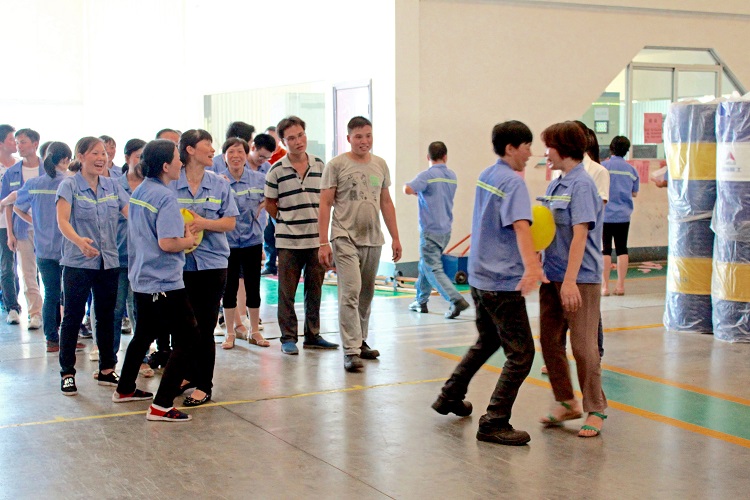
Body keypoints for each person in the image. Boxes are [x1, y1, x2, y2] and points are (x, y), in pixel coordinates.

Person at [431, 121, 542, 446]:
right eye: (526, 146)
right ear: (511, 148)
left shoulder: (487, 175)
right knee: (521, 354)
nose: (530, 153)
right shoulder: (513, 182)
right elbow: (521, 226)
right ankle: (494, 421)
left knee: (488, 340)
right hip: (502, 281)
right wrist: (532, 267)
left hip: (479, 277)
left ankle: (450, 395)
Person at [113, 139, 198, 422]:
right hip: (163, 281)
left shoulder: (140, 190)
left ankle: (125, 389)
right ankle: (161, 405)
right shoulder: (165, 197)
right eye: (177, 158)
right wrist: (188, 240)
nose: (181, 163)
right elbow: (167, 242)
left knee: (144, 333)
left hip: (142, 276)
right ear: (165, 166)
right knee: (188, 338)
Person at [538, 121, 608, 438]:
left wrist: (569, 282)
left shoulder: (582, 186)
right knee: (550, 342)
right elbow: (548, 229)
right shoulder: (556, 184)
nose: (545, 154)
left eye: (549, 147)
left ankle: (596, 408)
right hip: (551, 275)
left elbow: (580, 236)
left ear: (563, 149)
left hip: (579, 278)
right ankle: (566, 401)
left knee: (583, 347)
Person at [318, 116, 401, 371]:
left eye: (368, 136)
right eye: (358, 137)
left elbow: (386, 202)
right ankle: (351, 350)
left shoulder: (380, 165)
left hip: (372, 238)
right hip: (344, 236)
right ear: (349, 138)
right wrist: (323, 242)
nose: (364, 141)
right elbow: (325, 204)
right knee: (350, 291)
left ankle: (361, 340)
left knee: (366, 294)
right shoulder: (336, 165)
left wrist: (396, 237)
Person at [56, 137, 129, 395]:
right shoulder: (69, 185)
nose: (101, 158)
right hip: (78, 262)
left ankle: (107, 369)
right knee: (73, 317)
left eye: (104, 154)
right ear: (81, 156)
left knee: (107, 316)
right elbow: (63, 221)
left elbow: (131, 212)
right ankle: (67, 372)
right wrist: (79, 241)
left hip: (108, 260)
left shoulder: (112, 185)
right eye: (95, 153)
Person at [172, 129, 238, 406]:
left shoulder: (219, 184)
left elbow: (230, 222)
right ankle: (187, 374)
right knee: (182, 326)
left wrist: (202, 223)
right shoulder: (170, 184)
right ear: (189, 150)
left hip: (212, 264)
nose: (212, 149)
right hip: (178, 265)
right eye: (207, 144)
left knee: (206, 325)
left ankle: (204, 384)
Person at [265, 116, 339, 355]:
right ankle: (288, 338)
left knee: (314, 290)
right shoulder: (276, 170)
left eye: (301, 135)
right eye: (291, 138)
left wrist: (324, 238)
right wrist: (286, 220)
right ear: (283, 142)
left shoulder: (320, 165)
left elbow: (328, 200)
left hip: (316, 240)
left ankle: (313, 335)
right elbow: (270, 203)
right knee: (286, 292)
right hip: (288, 241)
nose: (298, 141)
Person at [14, 142, 71, 352]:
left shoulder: (34, 183)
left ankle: (51, 339)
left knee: (51, 295)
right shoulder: (69, 183)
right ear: (65, 160)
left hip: (43, 248)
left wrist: (35, 222)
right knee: (69, 297)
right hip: (67, 248)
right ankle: (68, 339)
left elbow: (17, 207)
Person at [403, 141, 469, 318]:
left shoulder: (427, 176)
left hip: (430, 230)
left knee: (432, 268)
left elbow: (407, 189)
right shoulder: (452, 176)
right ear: (445, 157)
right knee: (425, 265)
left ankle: (455, 299)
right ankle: (421, 301)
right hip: (445, 230)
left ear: (428, 157)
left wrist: (417, 193)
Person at [218, 137, 269, 349]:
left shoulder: (259, 179)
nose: (236, 156)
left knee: (253, 287)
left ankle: (254, 331)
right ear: (224, 156)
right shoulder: (218, 181)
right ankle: (230, 332)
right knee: (228, 288)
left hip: (252, 240)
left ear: (246, 155)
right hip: (228, 243)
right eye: (231, 152)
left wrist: (265, 206)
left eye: (240, 152)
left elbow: (272, 198)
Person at [113, 138, 153, 378]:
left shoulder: (152, 186)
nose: (141, 162)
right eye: (138, 156)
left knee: (139, 309)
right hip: (118, 256)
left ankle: (143, 358)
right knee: (116, 309)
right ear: (127, 158)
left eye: (145, 157)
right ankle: (109, 360)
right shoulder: (114, 186)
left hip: (144, 257)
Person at [0, 128, 44, 329]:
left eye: (23, 142)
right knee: (27, 273)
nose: (19, 146)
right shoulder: (12, 172)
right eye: (17, 142)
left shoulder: (47, 169)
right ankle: (34, 313)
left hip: (47, 229)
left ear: (35, 144)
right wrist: (10, 233)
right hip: (22, 228)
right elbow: (7, 204)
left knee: (48, 272)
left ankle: (51, 313)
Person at [601, 136, 639, 296]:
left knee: (605, 250)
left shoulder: (603, 167)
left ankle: (604, 287)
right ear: (627, 151)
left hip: (605, 215)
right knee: (622, 249)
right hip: (623, 215)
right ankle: (620, 286)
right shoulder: (631, 170)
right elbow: (634, 193)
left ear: (611, 148)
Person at [0, 124, 20, 319]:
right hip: (1, 224)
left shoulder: (19, 166)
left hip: (22, 221)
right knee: (7, 265)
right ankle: (11, 307)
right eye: (11, 139)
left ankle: (33, 309)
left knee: (29, 266)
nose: (15, 143)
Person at [262, 126, 284, 275]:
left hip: (281, 204)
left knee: (281, 236)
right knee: (268, 235)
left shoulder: (284, 156)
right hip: (268, 203)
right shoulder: (263, 159)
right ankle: (270, 265)